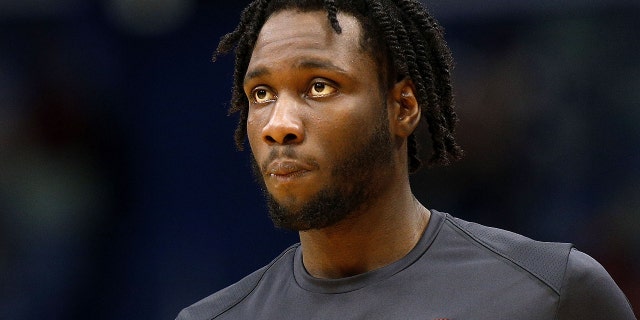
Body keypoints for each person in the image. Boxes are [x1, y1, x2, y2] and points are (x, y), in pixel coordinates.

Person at [176, 0, 636, 319]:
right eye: (261, 93)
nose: (279, 124)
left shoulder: (553, 294)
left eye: (320, 86)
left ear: (403, 106)